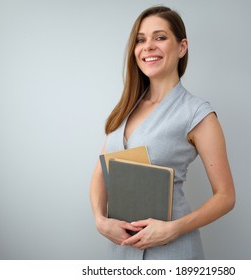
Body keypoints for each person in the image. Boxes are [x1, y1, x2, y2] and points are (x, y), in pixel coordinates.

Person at [90, 5, 235, 259]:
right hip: (121, 251)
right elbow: (101, 172)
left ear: (181, 47)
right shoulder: (125, 108)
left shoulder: (197, 113)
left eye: (160, 37)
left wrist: (172, 229)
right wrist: (100, 220)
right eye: (141, 40)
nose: (148, 46)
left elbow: (225, 196)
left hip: (171, 250)